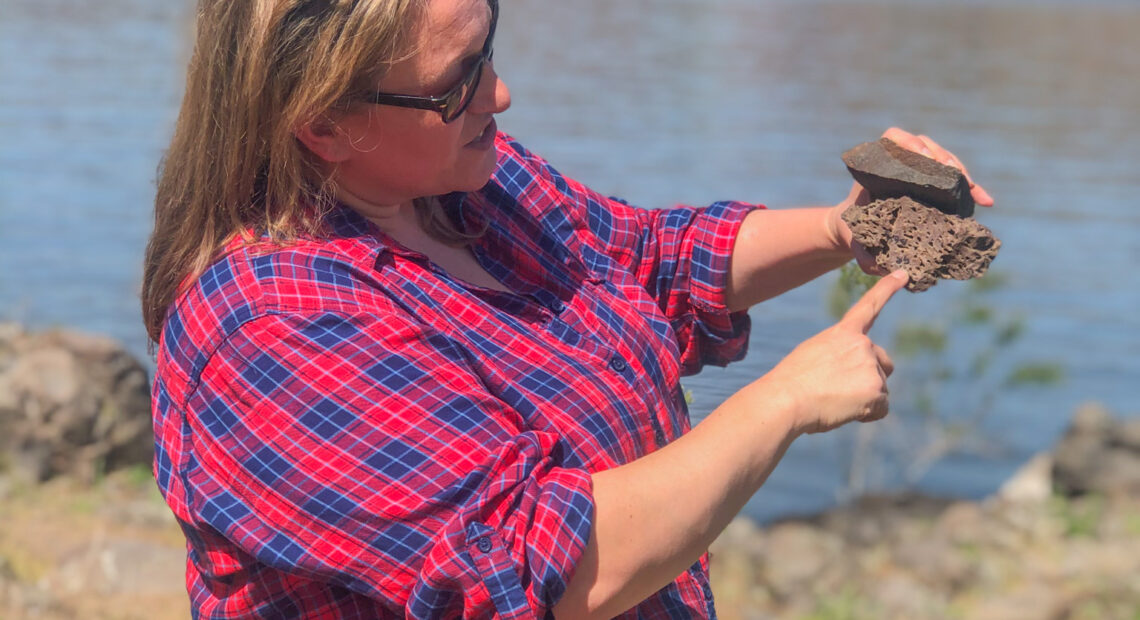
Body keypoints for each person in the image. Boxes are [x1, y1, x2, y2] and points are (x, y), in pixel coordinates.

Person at [142, 0, 993, 618]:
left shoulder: (466, 184)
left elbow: (646, 263)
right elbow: (538, 563)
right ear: (321, 123)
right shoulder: (273, 326)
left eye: (488, 47)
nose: (499, 95)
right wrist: (784, 401)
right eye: (457, 83)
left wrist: (844, 227)